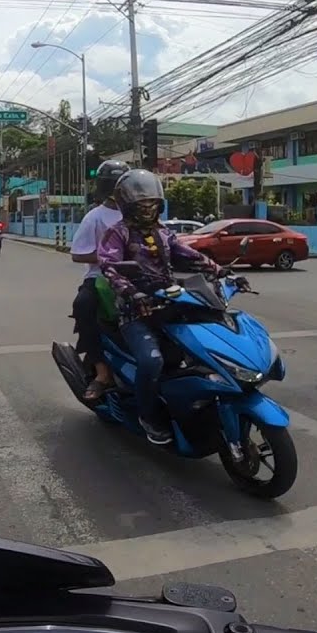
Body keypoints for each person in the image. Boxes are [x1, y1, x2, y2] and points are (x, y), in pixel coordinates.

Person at [97, 169, 232, 445]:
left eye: (152, 203)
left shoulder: (164, 233)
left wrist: (223, 272)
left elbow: (190, 256)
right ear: (127, 205)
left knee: (203, 348)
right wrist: (132, 293)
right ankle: (148, 415)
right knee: (152, 360)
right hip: (136, 311)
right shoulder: (117, 233)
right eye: (142, 203)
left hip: (170, 305)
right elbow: (110, 267)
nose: (148, 208)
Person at [70, 159, 130, 402]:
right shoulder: (94, 217)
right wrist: (109, 258)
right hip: (100, 278)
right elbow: (77, 253)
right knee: (83, 304)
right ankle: (102, 372)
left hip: (138, 276)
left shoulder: (138, 214)